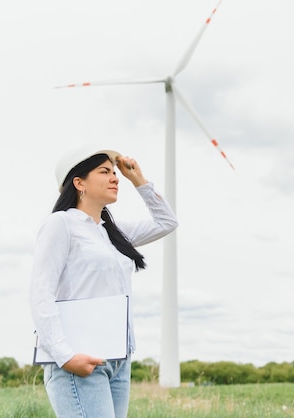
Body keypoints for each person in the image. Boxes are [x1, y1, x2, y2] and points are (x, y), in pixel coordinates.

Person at [29, 143, 178, 418]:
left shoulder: (112, 232)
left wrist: (139, 181)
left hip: (119, 357)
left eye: (114, 172)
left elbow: (167, 222)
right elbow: (41, 292)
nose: (114, 177)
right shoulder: (61, 224)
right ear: (79, 182)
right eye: (104, 171)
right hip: (79, 357)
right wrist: (66, 356)